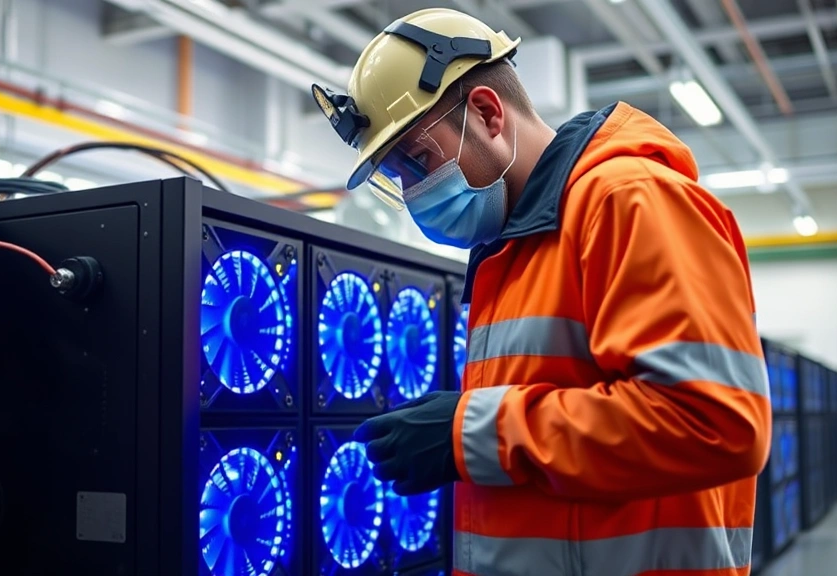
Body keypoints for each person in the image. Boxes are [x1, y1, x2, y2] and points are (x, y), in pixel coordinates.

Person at [312, 8, 772, 576]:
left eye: (417, 159)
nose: (411, 192)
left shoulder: (629, 202)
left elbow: (713, 423)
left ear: (486, 113)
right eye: (396, 174)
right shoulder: (512, 250)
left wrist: (468, 431)